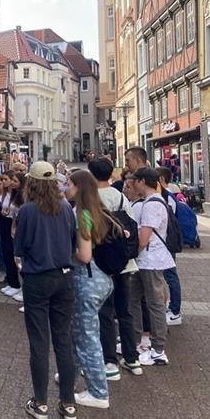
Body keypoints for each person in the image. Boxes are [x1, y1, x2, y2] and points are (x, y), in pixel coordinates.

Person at [14, 161, 78, 419]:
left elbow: (19, 249)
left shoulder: (27, 211)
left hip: (37, 279)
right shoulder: (66, 208)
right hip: (64, 278)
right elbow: (73, 243)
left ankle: (40, 402)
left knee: (39, 342)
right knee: (63, 340)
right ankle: (68, 403)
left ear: (31, 183)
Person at [88, 158, 142, 379]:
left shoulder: (91, 198)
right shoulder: (120, 196)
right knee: (124, 310)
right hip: (123, 261)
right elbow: (131, 223)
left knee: (105, 312)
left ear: (91, 174)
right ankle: (132, 358)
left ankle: (109, 360)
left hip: (101, 261)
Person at [65, 170, 114, 409]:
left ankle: (98, 392)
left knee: (87, 337)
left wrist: (66, 253)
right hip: (101, 279)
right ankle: (70, 376)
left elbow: (84, 255)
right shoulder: (97, 209)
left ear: (78, 187)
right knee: (79, 332)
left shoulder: (81, 214)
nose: (65, 188)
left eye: (68, 184)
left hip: (88, 280)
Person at [128, 167, 173, 367]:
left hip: (151, 259)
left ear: (142, 181)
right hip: (146, 260)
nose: (132, 184)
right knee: (134, 298)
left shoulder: (153, 204)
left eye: (134, 181)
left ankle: (158, 350)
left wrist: (133, 250)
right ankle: (139, 342)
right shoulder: (151, 202)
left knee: (154, 303)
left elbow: (144, 237)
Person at [155, 167, 183, 327]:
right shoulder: (164, 196)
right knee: (168, 276)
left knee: (171, 276)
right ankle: (171, 308)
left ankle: (175, 311)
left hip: (167, 243)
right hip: (164, 242)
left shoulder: (167, 197)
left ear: (161, 180)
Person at [0, 171, 21, 298]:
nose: (7, 182)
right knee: (6, 253)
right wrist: (3, 212)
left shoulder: (18, 195)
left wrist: (14, 225)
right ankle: (12, 282)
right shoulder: (6, 194)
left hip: (13, 226)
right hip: (5, 223)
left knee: (14, 255)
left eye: (8, 179)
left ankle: (17, 285)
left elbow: (18, 213)